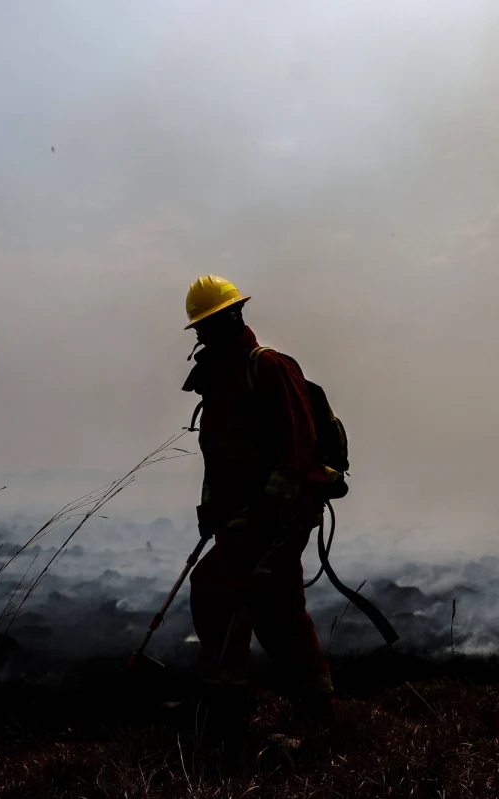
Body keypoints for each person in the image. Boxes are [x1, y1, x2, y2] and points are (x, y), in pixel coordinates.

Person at [181, 275, 337, 730]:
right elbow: (219, 460)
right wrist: (211, 514)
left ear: (234, 317)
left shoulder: (268, 367)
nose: (204, 336)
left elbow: (297, 452)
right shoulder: (220, 381)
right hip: (242, 520)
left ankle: (225, 708)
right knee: (277, 607)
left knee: (216, 587)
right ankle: (315, 712)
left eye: (211, 323)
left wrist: (263, 520)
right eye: (200, 328)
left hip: (277, 518)